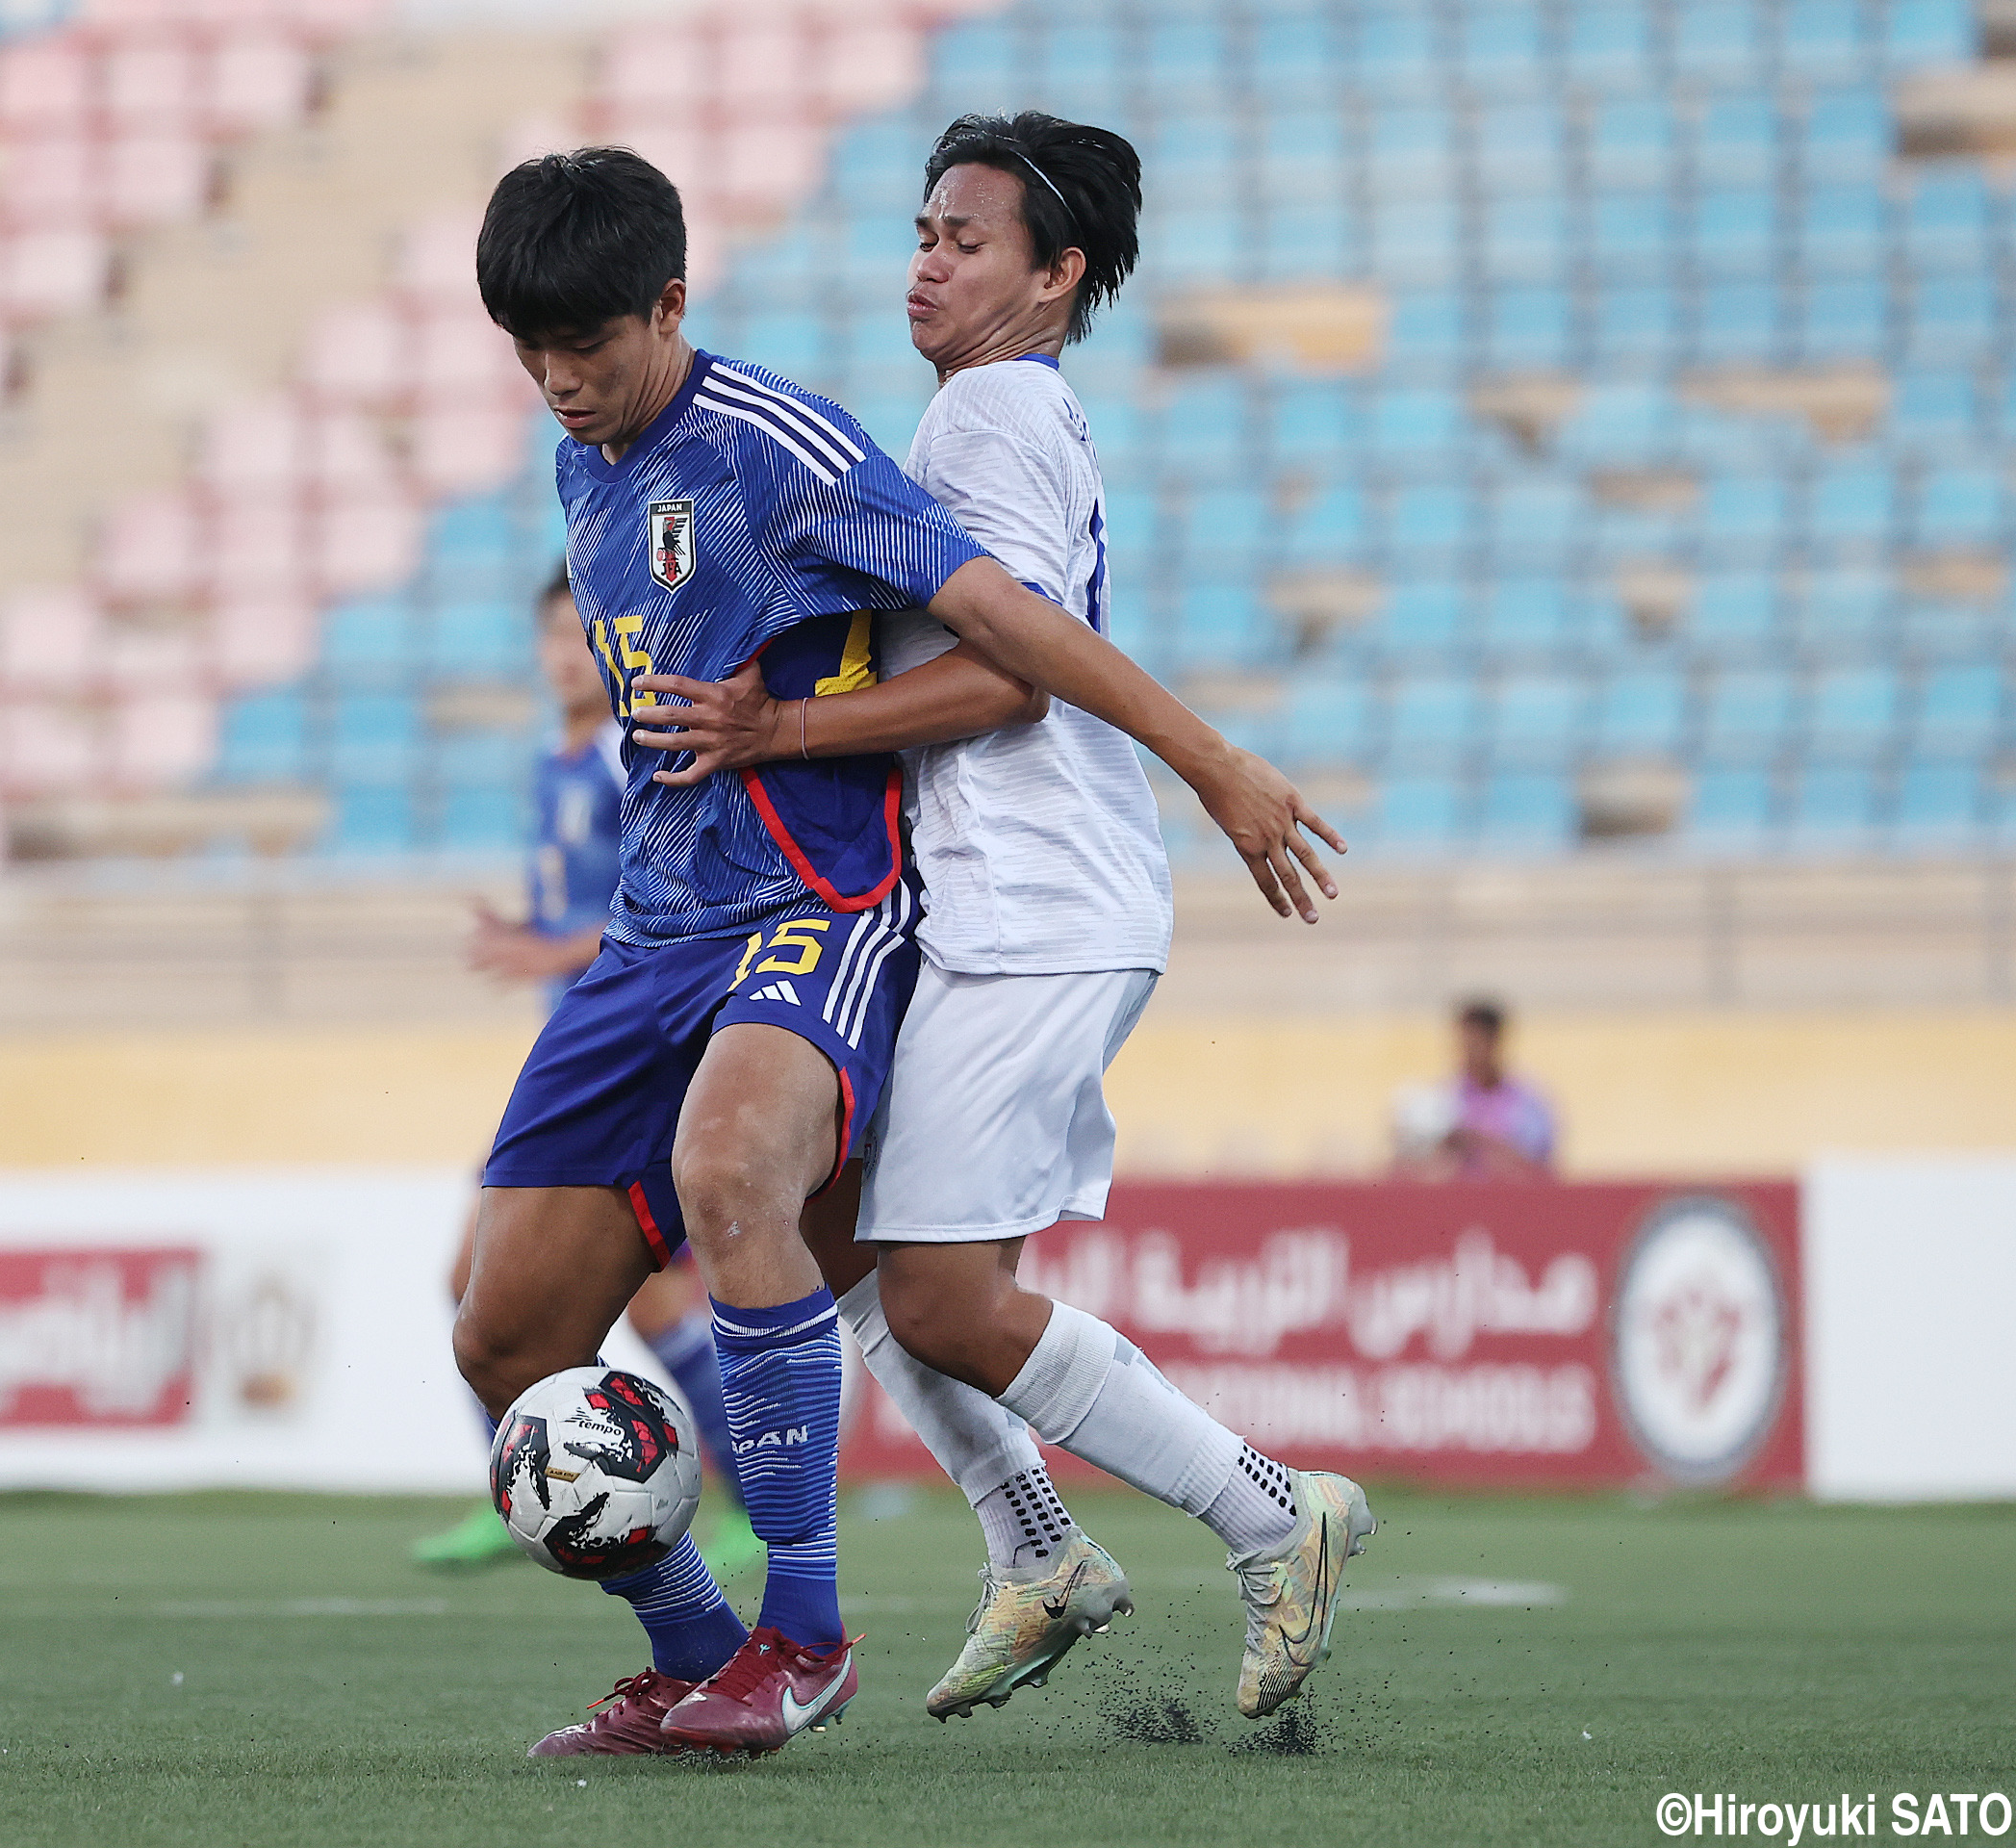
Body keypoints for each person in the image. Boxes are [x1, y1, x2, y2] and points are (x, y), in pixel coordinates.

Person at [455, 146, 1333, 1760]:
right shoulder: (588, 458)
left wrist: (1212, 760)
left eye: (585, 342)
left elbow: (1008, 643)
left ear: (669, 303)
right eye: (530, 349)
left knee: (771, 1201)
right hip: (656, 937)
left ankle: (810, 1635)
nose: (559, 380)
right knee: (503, 1336)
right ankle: (710, 1645)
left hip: (819, 910)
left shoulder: (792, 446)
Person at [412, 566, 762, 1581]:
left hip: (635, 1063)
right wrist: (534, 937)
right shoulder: (554, 763)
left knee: (580, 1296)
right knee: (594, 1300)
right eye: (553, 637)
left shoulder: (632, 752)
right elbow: (587, 912)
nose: (567, 654)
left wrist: (554, 951)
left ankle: (724, 1506)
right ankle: (529, 1488)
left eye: (583, 635)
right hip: (572, 1063)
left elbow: (664, 906)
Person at [1393, 997, 1558, 1179]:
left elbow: (1537, 1170)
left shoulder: (1527, 1103)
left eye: (1476, 1043)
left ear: (1495, 1041)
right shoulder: (1441, 1097)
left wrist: (1475, 1140)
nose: (1468, 1051)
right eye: (1464, 1042)